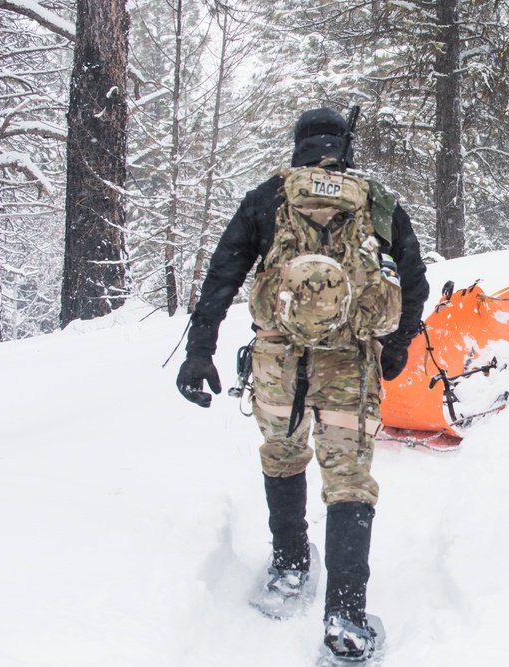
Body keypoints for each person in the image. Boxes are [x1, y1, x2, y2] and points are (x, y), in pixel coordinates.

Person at [175, 107, 429, 661]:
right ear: (345, 145)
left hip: (276, 363)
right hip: (350, 364)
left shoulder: (269, 197)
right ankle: (345, 615)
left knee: (283, 455)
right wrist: (400, 344)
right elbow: (413, 277)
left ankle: (290, 566)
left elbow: (223, 275)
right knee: (348, 482)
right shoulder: (376, 199)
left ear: (298, 145)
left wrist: (200, 352)